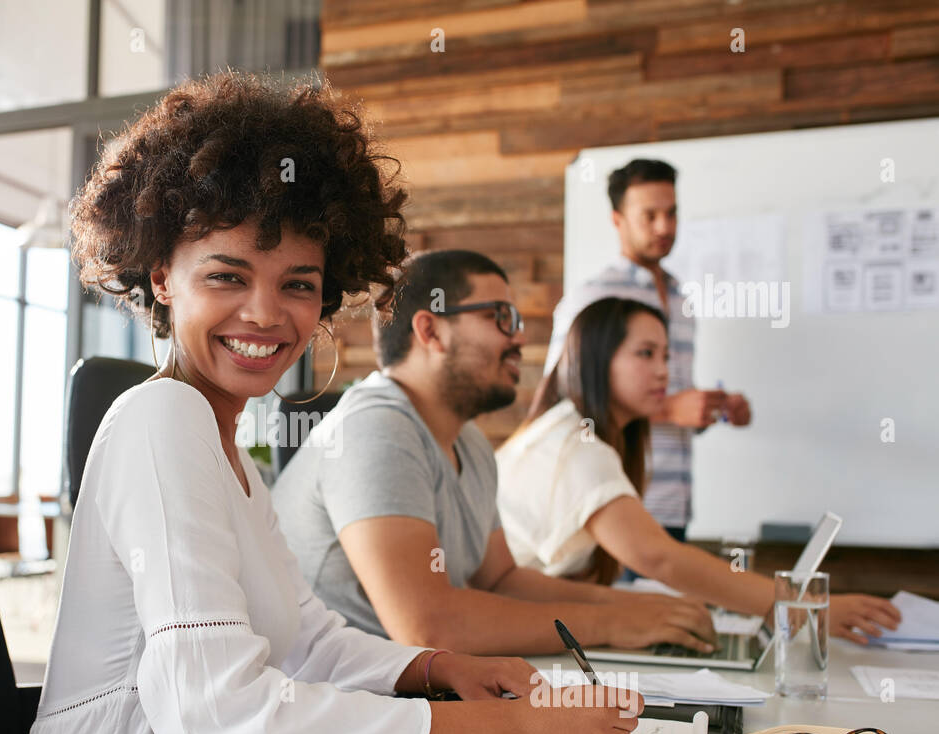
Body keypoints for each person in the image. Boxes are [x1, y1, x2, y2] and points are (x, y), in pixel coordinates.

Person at [18, 72, 642, 734]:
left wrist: (435, 668)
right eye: (227, 276)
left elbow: (306, 637)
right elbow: (211, 706)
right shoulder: (163, 418)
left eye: (298, 285)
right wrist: (509, 731)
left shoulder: (231, 451)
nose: (265, 314)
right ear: (162, 277)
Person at [271, 248, 716, 656]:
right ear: (431, 330)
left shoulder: (470, 444)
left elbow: (501, 582)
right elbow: (428, 627)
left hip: (407, 696)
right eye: (500, 317)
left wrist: (640, 609)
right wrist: (613, 621)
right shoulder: (375, 428)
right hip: (337, 710)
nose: (519, 339)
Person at [499, 296, 900, 643]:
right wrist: (799, 605)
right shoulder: (578, 446)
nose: (663, 371)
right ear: (597, 359)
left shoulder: (571, 430)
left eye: (666, 356)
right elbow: (660, 559)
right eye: (645, 353)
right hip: (501, 630)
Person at [543, 158, 750, 545]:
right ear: (617, 219)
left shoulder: (680, 297)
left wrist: (711, 410)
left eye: (672, 213)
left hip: (674, 506)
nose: (665, 227)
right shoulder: (594, 297)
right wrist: (670, 409)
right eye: (649, 215)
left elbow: (660, 395)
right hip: (613, 502)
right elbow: (562, 399)